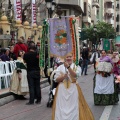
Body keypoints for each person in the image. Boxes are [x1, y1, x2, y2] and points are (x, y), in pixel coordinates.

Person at [52, 53, 94, 120]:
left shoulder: (76, 67)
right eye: (67, 57)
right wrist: (63, 77)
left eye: (70, 57)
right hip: (62, 90)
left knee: (74, 106)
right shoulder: (60, 67)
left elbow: (75, 76)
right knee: (61, 107)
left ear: (73, 57)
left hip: (73, 89)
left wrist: (68, 67)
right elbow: (56, 79)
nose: (68, 58)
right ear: (65, 58)